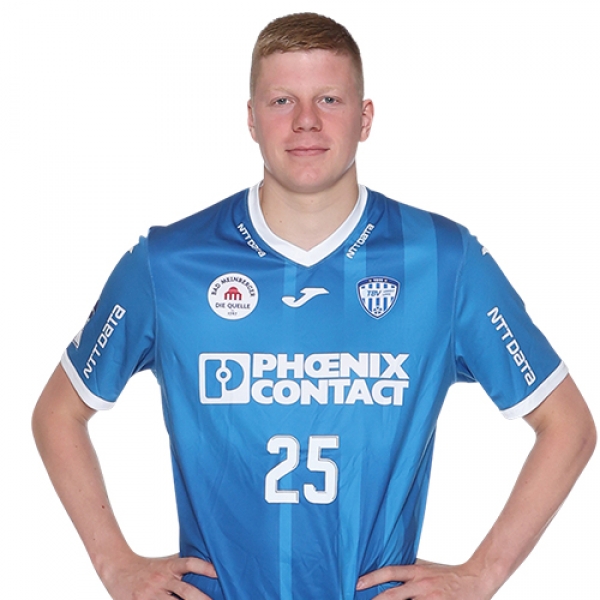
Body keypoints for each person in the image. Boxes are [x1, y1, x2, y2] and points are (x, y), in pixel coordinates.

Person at [32, 12, 595, 600]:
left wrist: (482, 575)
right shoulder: (168, 263)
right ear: (251, 118)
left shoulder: (443, 261)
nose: (306, 120)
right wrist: (115, 565)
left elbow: (568, 426)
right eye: (282, 101)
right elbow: (57, 413)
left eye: (329, 98)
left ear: (365, 118)